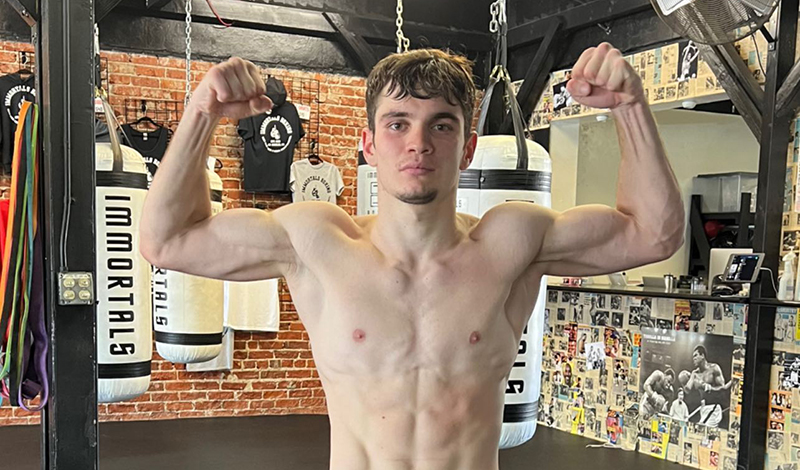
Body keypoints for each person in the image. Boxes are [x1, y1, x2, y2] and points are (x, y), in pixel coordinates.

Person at [140, 43, 684, 469]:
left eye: (441, 125)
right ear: (369, 145)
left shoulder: (512, 243)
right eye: (397, 123)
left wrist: (631, 106)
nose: (418, 142)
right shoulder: (317, 243)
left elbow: (654, 235)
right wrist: (202, 112)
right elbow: (167, 241)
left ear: (467, 149)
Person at [680, 345, 732, 428]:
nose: (693, 359)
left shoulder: (714, 368)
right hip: (703, 408)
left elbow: (723, 389)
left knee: (699, 430)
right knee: (703, 432)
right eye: (693, 357)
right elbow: (687, 390)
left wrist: (710, 388)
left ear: (702, 356)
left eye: (696, 355)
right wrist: (683, 380)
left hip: (713, 407)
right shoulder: (695, 374)